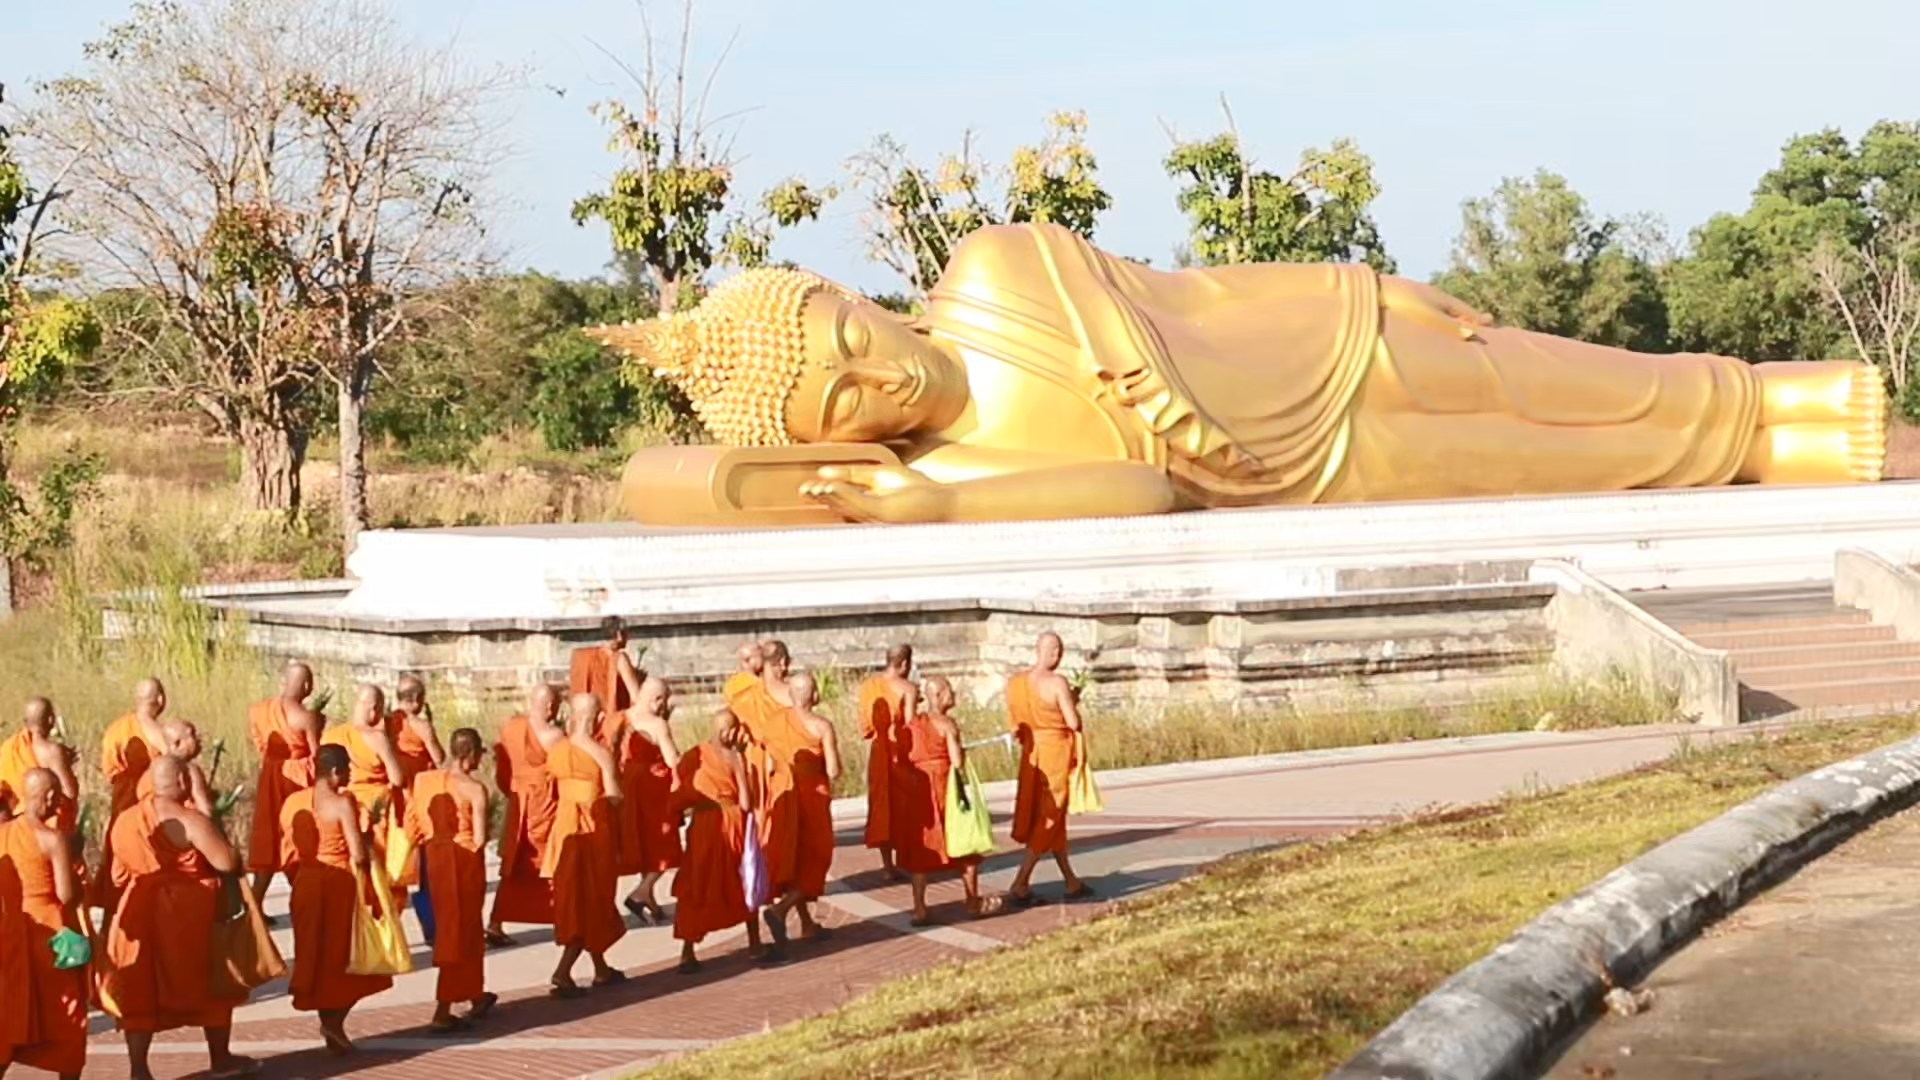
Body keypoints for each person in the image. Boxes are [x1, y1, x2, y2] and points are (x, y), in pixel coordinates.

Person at [595, 223, 1888, 527]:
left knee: (1574, 381)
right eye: (844, 404)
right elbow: (1141, 489)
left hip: (1326, 345)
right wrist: (934, 506)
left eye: (849, 340)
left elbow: (1196, 294)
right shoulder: (957, 465)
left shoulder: (996, 267)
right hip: (1310, 471)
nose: (878, 378)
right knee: (1589, 460)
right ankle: (1776, 442)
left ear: (849, 296)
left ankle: (1783, 394)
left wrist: (1363, 284)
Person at [101, 754, 256, 1080]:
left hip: (138, 910)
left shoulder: (125, 820)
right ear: (184, 782)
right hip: (188, 916)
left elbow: (117, 876)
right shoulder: (190, 819)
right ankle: (220, 1058)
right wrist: (210, 815)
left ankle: (139, 1069)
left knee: (140, 990)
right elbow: (227, 862)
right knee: (211, 984)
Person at [282, 744, 392, 1055]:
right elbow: (357, 855)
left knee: (315, 957)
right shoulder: (342, 803)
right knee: (344, 959)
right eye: (347, 770)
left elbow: (287, 850)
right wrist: (369, 838)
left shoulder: (292, 803)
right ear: (334, 771)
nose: (350, 775)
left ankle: (332, 1025)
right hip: (337, 883)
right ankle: (334, 1023)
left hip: (305, 883)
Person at [405, 727, 496, 1032]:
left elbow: (412, 824)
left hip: (436, 861)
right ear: (470, 754)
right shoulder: (474, 789)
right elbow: (480, 838)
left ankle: (475, 994)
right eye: (479, 753)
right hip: (464, 863)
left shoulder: (424, 781)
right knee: (460, 932)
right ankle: (442, 1010)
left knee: (455, 928)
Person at [0, 768, 86, 1080]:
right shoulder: (52, 838)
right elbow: (66, 895)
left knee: (10, 1012)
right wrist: (75, 862)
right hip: (51, 933)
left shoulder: (3, 833)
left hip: (9, 932)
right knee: (66, 1015)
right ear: (49, 797)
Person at [541, 692, 627, 997]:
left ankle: (601, 969)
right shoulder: (600, 753)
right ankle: (563, 972)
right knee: (591, 900)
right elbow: (614, 797)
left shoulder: (557, 750)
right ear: (599, 718)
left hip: (564, 832)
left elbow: (551, 792)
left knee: (577, 898)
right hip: (592, 833)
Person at [894, 676, 1000, 923]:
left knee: (921, 850)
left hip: (919, 792)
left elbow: (902, 761)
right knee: (964, 844)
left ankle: (919, 908)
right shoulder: (946, 724)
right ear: (938, 695)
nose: (953, 695)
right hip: (945, 789)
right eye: (950, 691)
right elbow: (957, 761)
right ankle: (972, 901)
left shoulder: (912, 725)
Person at [1006, 632, 1091, 905]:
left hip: (1031, 754)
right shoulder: (1057, 683)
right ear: (1054, 653)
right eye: (1059, 652)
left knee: (1051, 817)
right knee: (1050, 816)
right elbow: (1073, 722)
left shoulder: (1015, 683)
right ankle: (1021, 882)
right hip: (1055, 752)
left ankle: (1071, 881)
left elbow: (1015, 725)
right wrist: (1073, 700)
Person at [760, 672, 840, 960]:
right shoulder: (821, 726)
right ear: (815, 695)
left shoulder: (773, 722)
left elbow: (769, 765)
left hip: (783, 793)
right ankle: (780, 909)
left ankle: (807, 924)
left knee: (793, 858)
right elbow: (833, 770)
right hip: (811, 797)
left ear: (791, 695)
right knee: (815, 858)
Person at [671, 709, 753, 973]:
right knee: (740, 879)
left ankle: (688, 952)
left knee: (699, 883)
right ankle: (755, 943)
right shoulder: (732, 757)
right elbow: (746, 803)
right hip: (729, 824)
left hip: (705, 826)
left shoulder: (694, 756)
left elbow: (677, 796)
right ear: (727, 731)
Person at [320, 685, 408, 906]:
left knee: (351, 860)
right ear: (375, 708)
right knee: (378, 870)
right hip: (375, 809)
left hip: (342, 807)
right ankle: (379, 914)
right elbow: (398, 779)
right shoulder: (376, 738)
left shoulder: (331, 735)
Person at [487, 684, 560, 947]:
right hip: (545, 807)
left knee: (513, 867)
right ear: (550, 706)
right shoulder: (553, 736)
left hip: (518, 806)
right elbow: (566, 770)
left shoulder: (510, 727)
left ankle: (495, 922)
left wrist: (514, 794)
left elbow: (502, 771)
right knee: (553, 863)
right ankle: (564, 917)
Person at [247, 663, 322, 905]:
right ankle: (304, 898)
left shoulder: (258, 711)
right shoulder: (305, 717)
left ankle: (255, 903)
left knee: (269, 836)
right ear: (308, 686)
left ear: (284, 682)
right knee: (296, 835)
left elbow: (261, 745)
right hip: (296, 778)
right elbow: (317, 755)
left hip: (270, 776)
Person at [92, 677, 169, 910]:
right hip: (146, 805)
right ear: (160, 699)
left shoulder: (115, 730)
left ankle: (111, 917)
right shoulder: (155, 730)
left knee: (117, 857)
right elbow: (170, 765)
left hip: (120, 803)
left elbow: (109, 771)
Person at [616, 674, 683, 923]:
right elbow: (672, 759)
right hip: (654, 788)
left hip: (627, 785)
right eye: (662, 700)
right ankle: (641, 892)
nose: (663, 705)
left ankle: (650, 901)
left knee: (644, 843)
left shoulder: (622, 718)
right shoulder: (657, 724)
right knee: (664, 843)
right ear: (656, 699)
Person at [856, 645, 918, 881]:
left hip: (878, 751)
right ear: (904, 664)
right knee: (905, 805)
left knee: (881, 805)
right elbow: (911, 725)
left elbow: (864, 725)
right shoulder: (908, 688)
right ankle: (907, 858)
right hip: (901, 750)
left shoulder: (869, 687)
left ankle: (887, 865)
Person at [0, 698, 78, 830]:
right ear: (51, 720)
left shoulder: (9, 747)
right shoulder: (52, 751)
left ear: (25, 722)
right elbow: (70, 793)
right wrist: (65, 765)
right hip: (45, 824)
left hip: (13, 822)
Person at [569, 617, 636, 715]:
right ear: (619, 635)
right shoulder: (619, 659)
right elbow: (635, 696)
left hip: (586, 715)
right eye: (626, 634)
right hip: (611, 717)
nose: (628, 638)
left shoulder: (582, 657)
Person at [388, 674, 446, 786]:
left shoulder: (386, 722)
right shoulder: (421, 726)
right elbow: (439, 758)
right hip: (418, 783)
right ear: (416, 699)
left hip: (394, 781)